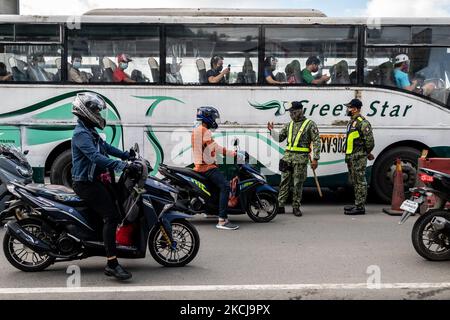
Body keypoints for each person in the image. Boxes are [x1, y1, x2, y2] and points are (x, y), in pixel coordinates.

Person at [71, 92, 139, 280]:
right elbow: (95, 157)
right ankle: (112, 263)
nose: (99, 114)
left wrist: (127, 155)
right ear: (85, 112)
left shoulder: (90, 132)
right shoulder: (81, 134)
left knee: (116, 202)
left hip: (95, 180)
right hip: (86, 183)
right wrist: (122, 165)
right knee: (112, 216)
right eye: (96, 110)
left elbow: (106, 148)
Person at [191, 106, 243, 230]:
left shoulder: (197, 130)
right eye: (213, 118)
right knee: (225, 186)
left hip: (199, 166)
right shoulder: (205, 131)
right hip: (206, 167)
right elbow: (215, 148)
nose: (215, 121)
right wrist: (234, 154)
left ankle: (210, 211)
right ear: (207, 118)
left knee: (215, 187)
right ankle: (222, 220)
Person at [267, 101, 321, 216]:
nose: (291, 114)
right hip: (287, 158)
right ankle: (280, 205)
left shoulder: (310, 124)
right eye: (290, 112)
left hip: (300, 160)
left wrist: (315, 158)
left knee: (298, 184)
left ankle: (296, 207)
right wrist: (272, 131)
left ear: (300, 111)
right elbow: (280, 138)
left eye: (293, 112)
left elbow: (316, 141)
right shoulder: (289, 125)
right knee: (284, 182)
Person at [343, 99, 375, 215]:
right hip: (352, 157)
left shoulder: (363, 123)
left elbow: (370, 142)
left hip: (358, 157)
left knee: (360, 182)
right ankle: (357, 204)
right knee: (356, 182)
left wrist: (365, 152)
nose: (348, 110)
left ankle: (360, 207)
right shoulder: (352, 122)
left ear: (355, 109)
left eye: (349, 107)